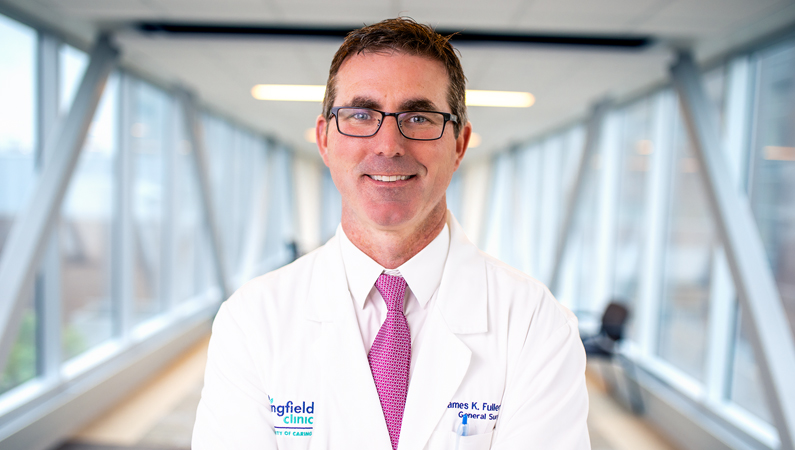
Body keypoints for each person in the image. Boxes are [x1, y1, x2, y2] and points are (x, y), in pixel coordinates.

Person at [193, 17, 590, 450]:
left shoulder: (536, 324)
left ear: (459, 144)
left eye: (418, 117)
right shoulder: (251, 321)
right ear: (324, 139)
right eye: (361, 115)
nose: (388, 144)